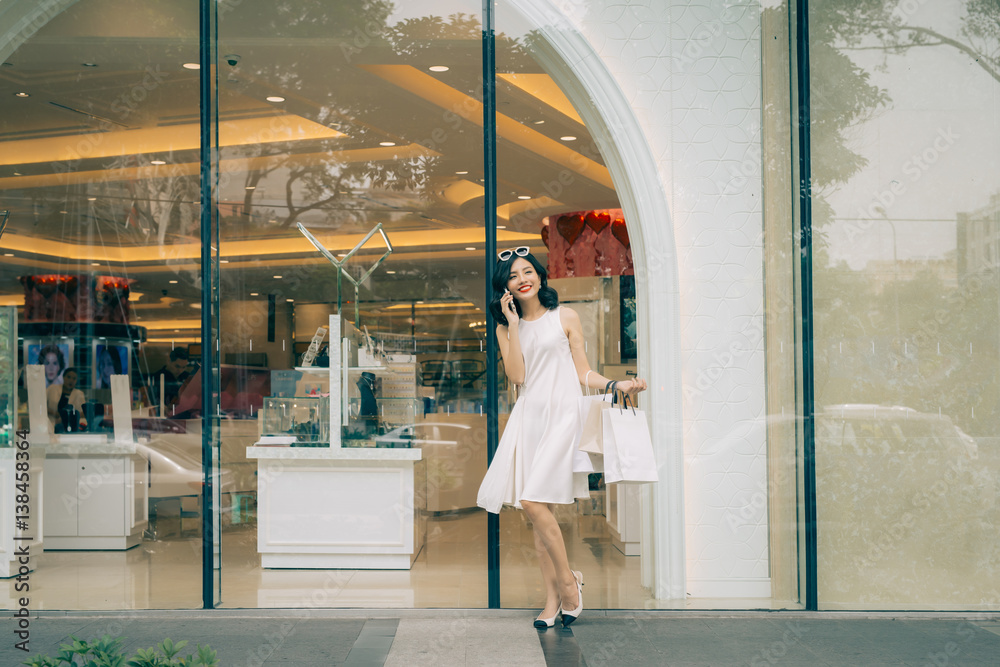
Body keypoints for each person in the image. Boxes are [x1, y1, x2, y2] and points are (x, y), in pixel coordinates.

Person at [476, 246, 647, 629]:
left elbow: (584, 372)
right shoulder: (506, 329)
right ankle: (554, 598)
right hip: (530, 420)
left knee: (532, 501)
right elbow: (518, 377)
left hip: (563, 417)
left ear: (539, 275)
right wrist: (515, 325)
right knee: (540, 514)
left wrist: (617, 384)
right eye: (513, 276)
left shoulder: (565, 316)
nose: (522, 280)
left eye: (527, 272)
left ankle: (568, 583)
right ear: (504, 288)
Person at [46, 367, 87, 432]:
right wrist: (55, 413)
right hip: (51, 425)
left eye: (74, 378)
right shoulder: (52, 388)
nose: (71, 380)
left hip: (71, 428)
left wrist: (68, 416)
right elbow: (41, 405)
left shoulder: (79, 394)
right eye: (68, 377)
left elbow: (83, 413)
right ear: (63, 377)